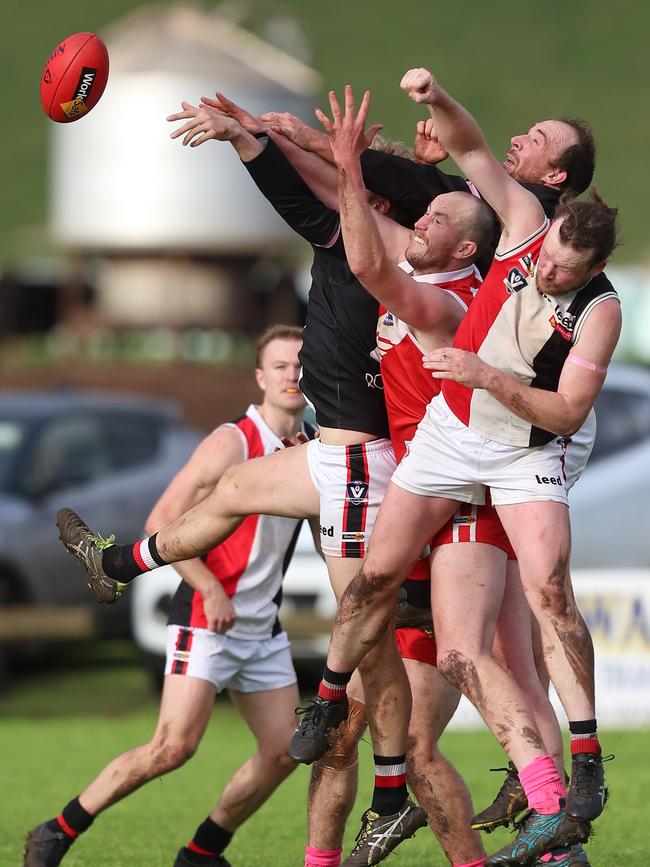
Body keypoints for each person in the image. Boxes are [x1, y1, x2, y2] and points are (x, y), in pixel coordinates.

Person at [55, 104, 429, 867]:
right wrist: (261, 136)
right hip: (338, 458)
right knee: (228, 490)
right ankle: (121, 561)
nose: (332, 183)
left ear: (377, 195)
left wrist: (259, 142)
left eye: (350, 176)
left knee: (371, 646)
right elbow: (314, 185)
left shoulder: (372, 245)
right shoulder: (372, 231)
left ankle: (390, 799)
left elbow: (311, 191)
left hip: (359, 465)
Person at [290, 72, 620, 867]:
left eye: (565, 277)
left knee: (543, 601)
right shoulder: (519, 228)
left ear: (595, 269)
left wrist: (488, 378)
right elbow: (465, 150)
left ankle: (578, 773)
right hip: (451, 439)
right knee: (399, 595)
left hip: (523, 449)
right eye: (544, 267)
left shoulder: (600, 310)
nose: (548, 279)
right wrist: (433, 96)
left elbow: (567, 415)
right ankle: (330, 701)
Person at [24, 325, 316, 867]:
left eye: (301, 363)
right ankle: (56, 831)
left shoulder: (310, 449)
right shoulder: (232, 441)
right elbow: (161, 520)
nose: (293, 374)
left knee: (282, 752)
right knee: (172, 748)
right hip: (207, 616)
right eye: (281, 365)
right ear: (260, 377)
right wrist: (209, 585)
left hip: (262, 627)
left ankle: (203, 852)